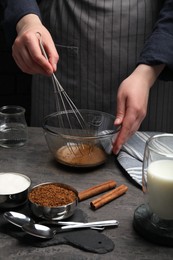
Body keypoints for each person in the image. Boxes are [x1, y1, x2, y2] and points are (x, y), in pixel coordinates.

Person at [2, 0, 173, 154]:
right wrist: (27, 22)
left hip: (152, 67)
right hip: (63, 56)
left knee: (148, 177)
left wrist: (145, 75)